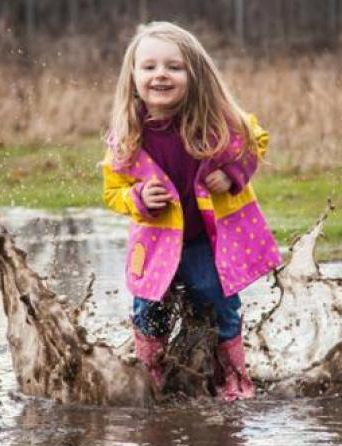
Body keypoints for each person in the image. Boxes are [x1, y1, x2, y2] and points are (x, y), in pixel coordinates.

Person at [102, 21, 282, 401]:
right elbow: (112, 190)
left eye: (174, 67)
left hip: (205, 242)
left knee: (216, 300)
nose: (160, 75)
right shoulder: (127, 134)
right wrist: (135, 198)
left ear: (195, 74)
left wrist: (232, 173)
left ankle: (231, 379)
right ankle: (152, 379)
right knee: (149, 308)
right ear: (132, 76)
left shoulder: (217, 121)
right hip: (154, 243)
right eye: (148, 67)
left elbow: (257, 140)